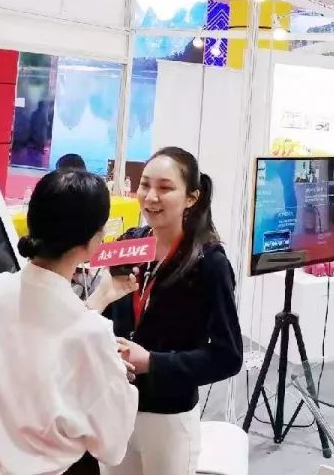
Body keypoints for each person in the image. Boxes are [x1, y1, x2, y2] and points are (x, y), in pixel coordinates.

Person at [0, 170, 139, 475]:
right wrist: (116, 375)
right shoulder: (91, 332)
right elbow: (111, 444)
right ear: (95, 240)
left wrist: (99, 302)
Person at [105, 147, 243, 475]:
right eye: (145, 185)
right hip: (115, 407)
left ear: (191, 197)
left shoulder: (209, 263)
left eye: (165, 188)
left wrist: (152, 362)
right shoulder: (129, 244)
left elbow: (228, 356)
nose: (151, 196)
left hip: (168, 418)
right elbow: (106, 314)